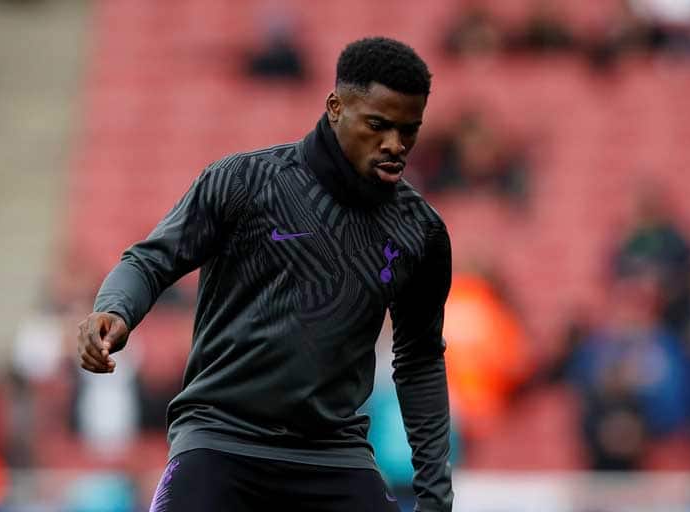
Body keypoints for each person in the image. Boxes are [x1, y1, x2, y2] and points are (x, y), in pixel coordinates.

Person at [77, 37, 453, 511]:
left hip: (333, 455)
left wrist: (435, 497)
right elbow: (150, 261)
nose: (395, 145)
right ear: (336, 107)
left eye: (408, 130)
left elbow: (419, 361)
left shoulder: (420, 232)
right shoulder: (244, 182)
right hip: (221, 440)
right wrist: (114, 309)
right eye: (378, 125)